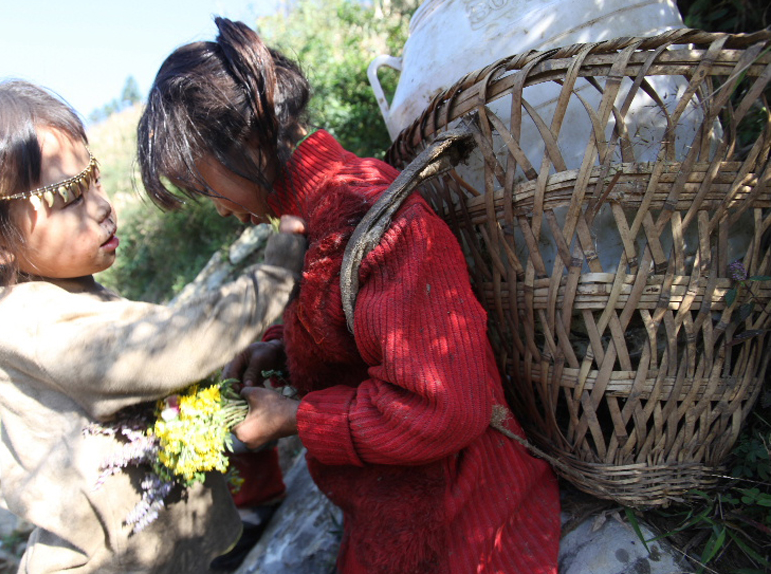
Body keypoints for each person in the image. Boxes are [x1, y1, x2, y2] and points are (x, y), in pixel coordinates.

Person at [137, 17, 561, 574]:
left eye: (204, 183)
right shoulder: (306, 216)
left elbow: (445, 408)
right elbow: (338, 321)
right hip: (388, 505)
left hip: (462, 513)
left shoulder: (366, 215)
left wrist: (296, 419)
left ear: (247, 139)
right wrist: (278, 346)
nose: (216, 207)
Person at [0, 80, 307, 574]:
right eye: (68, 198)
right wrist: (270, 280)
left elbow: (158, 364)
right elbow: (157, 353)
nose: (101, 206)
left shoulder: (70, 294)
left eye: (93, 181)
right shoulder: (24, 323)